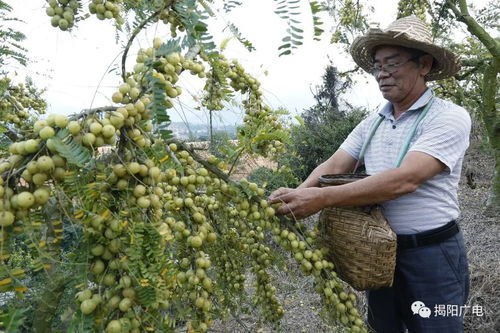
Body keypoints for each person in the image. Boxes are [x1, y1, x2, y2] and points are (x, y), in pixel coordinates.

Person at [268, 16, 471, 333]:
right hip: (376, 252)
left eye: (393, 63)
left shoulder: (449, 117)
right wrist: (295, 194)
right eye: (377, 66)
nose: (382, 74)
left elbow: (406, 179)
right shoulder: (372, 122)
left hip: (431, 256)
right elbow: (335, 165)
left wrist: (320, 198)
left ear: (425, 65)